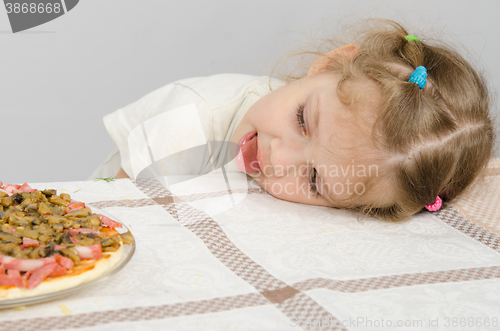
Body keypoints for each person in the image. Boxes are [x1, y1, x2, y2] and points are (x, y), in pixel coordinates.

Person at [94, 20, 495, 221]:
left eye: (316, 180)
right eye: (303, 120)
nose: (278, 158)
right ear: (329, 63)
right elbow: (110, 214)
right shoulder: (186, 120)